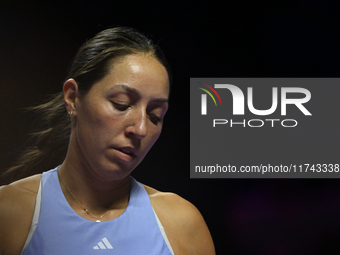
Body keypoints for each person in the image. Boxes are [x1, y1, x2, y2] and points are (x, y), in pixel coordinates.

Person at [0, 27, 215, 255]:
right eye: (121, 104)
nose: (141, 129)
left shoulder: (181, 224)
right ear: (72, 98)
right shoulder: (10, 213)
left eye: (155, 116)